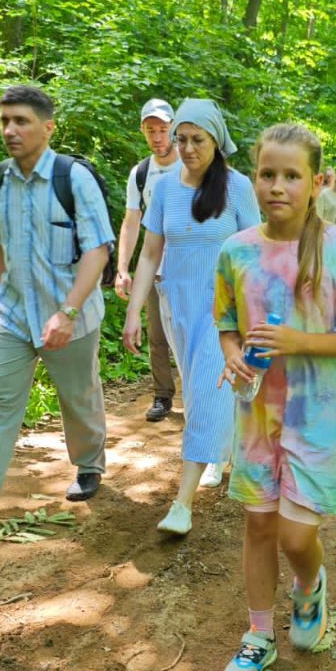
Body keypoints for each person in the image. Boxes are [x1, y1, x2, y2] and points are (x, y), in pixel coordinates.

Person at [214, 122, 336, 671]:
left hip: (315, 417)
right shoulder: (236, 251)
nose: (277, 186)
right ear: (253, 178)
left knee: (295, 537)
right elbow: (227, 323)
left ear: (317, 182)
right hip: (257, 416)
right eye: (267, 174)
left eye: (291, 175)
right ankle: (258, 637)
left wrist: (297, 342)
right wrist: (232, 356)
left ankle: (309, 586)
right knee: (259, 526)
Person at [0, 85, 114, 520]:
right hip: (14, 314)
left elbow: (97, 251)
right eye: (5, 121)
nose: (10, 130)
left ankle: (89, 465)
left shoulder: (73, 178)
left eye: (21, 121)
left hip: (70, 315)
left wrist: (67, 312)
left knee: (78, 396)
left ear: (48, 128)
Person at [122, 99, 261, 535]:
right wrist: (133, 311)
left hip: (224, 313)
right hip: (176, 307)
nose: (187, 148)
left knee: (206, 389)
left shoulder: (238, 188)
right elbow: (150, 254)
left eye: (197, 139)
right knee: (202, 393)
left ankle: (182, 504)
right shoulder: (164, 189)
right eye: (180, 139)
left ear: (216, 141)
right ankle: (226, 447)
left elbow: (256, 255)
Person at [114, 98, 181, 423]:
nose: (157, 137)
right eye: (151, 130)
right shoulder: (140, 173)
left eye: (163, 130)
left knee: (196, 330)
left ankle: (203, 393)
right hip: (155, 266)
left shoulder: (191, 165)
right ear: (143, 131)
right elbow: (131, 221)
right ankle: (162, 395)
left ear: (173, 129)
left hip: (190, 264)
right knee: (157, 334)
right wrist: (122, 268)